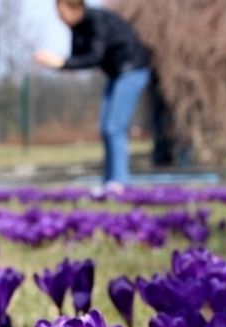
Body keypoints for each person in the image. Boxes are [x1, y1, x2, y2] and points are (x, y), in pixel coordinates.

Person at [34, 0, 151, 191]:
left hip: (132, 70)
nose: (59, 17)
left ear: (76, 7)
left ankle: (120, 182)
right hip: (116, 74)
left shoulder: (97, 20)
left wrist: (60, 63)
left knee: (114, 127)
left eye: (61, 12)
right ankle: (109, 182)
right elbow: (76, 59)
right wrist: (57, 64)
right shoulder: (77, 27)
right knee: (106, 127)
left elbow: (94, 57)